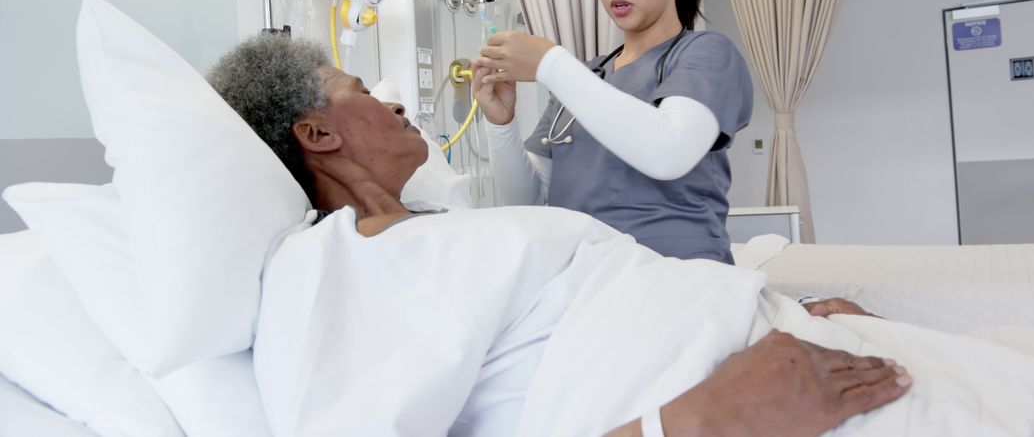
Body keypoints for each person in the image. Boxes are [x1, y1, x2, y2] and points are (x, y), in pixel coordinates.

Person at [206, 33, 910, 436]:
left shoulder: (428, 235)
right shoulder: (332, 265)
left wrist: (761, 310)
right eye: (359, 87)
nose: (390, 101)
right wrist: (704, 419)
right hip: (748, 404)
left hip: (772, 343)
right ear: (318, 133)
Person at [471, 0, 753, 264]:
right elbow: (530, 202)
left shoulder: (706, 55)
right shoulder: (588, 76)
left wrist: (550, 63)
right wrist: (500, 124)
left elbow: (668, 152)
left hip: (679, 282)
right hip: (588, 282)